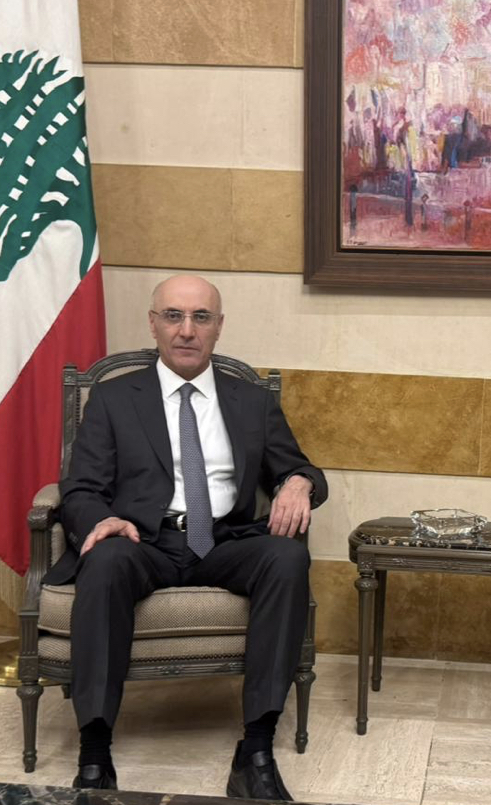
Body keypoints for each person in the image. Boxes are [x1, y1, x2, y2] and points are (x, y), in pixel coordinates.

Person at [44, 274, 326, 800]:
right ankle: (95, 753)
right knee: (104, 562)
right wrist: (100, 521)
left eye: (201, 317)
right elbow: (81, 487)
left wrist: (298, 483)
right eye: (173, 316)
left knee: (287, 558)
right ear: (154, 324)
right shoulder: (113, 398)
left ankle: (256, 750)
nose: (187, 330)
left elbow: (297, 465)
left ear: (219, 327)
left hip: (225, 542)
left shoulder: (251, 401)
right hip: (142, 542)